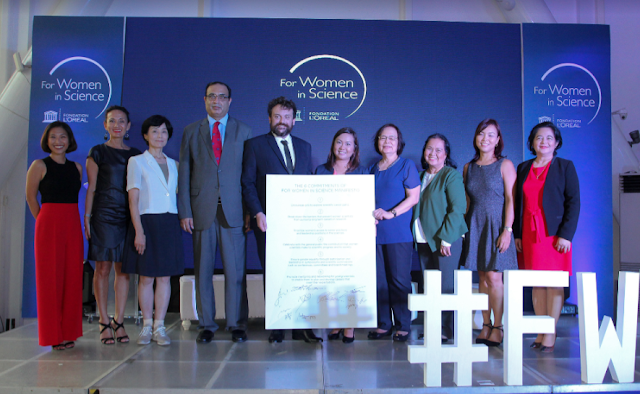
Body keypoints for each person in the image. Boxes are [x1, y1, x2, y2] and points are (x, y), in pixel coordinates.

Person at [241, 96, 321, 343]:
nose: (282, 121)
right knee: (274, 273)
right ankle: (277, 325)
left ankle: (301, 327)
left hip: (299, 224)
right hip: (268, 221)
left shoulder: (305, 147)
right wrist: (257, 212)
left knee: (301, 273)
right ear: (269, 119)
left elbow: (308, 184)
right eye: (277, 116)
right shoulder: (254, 145)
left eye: (287, 117)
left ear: (294, 120)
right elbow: (247, 183)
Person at [178, 82, 252, 343]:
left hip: (234, 211)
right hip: (201, 211)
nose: (217, 101)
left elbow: (248, 176)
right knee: (203, 270)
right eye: (212, 96)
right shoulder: (191, 131)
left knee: (236, 272)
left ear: (230, 101)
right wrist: (184, 210)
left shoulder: (244, 131)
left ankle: (237, 324)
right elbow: (184, 173)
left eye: (222, 97)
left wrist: (249, 211)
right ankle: (206, 324)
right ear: (205, 100)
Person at [514, 121, 580, 353]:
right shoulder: (523, 168)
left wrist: (566, 235)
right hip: (529, 234)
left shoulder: (565, 166)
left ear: (557, 142)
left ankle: (550, 331)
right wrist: (517, 234)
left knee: (554, 283)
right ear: (532, 142)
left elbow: (574, 203)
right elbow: (517, 204)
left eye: (549, 138)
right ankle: (541, 330)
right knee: (536, 283)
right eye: (539, 138)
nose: (544, 142)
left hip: (554, 235)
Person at [122, 115, 184, 346]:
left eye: (164, 132)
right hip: (146, 222)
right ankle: (146, 326)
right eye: (155, 131)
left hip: (169, 223)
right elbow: (133, 200)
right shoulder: (136, 162)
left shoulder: (174, 164)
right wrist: (139, 231)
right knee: (146, 277)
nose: (160, 136)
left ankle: (160, 327)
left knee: (165, 278)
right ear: (146, 135)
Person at [85, 105, 142, 345]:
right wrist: (87, 218)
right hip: (103, 216)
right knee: (103, 269)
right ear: (105, 125)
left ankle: (119, 321)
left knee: (123, 269)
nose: (117, 125)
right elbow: (92, 188)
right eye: (112, 121)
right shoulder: (97, 152)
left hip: (128, 216)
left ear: (128, 126)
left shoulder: (136, 155)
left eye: (121, 121)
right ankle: (103, 320)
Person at [26, 121, 83, 350]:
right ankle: (52, 335)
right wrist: (42, 220)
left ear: (69, 140)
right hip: (48, 223)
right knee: (49, 280)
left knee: (72, 278)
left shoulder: (77, 168)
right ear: (46, 140)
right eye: (53, 137)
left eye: (62, 137)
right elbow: (31, 197)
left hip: (72, 223)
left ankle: (68, 332)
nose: (58, 141)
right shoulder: (39, 165)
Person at [460, 119, 517, 347]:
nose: (485, 139)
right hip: (475, 225)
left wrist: (507, 230)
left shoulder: (505, 165)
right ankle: (485, 324)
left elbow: (512, 200)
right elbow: (466, 201)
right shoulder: (468, 167)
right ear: (476, 137)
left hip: (497, 225)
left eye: (491, 135)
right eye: (481, 134)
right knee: (482, 277)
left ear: (498, 140)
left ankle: (498, 325)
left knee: (494, 277)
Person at [411, 133, 467, 343]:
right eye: (429, 149)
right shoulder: (418, 176)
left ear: (446, 154)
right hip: (424, 239)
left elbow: (458, 208)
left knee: (445, 286)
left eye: (438, 150)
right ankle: (432, 327)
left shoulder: (450, 175)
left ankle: (446, 329)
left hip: (446, 240)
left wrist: (446, 239)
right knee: (430, 285)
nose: (432, 153)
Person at [369, 124, 420, 342]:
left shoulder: (406, 165)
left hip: (398, 233)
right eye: (383, 138)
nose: (387, 142)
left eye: (392, 138)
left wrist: (391, 213)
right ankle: (383, 324)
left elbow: (413, 198)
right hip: (374, 234)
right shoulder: (372, 169)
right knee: (379, 280)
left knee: (399, 280)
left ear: (399, 142)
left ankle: (403, 325)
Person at [315, 127, 366, 343]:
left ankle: (349, 325)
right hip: (326, 233)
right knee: (331, 280)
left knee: (350, 280)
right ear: (332, 145)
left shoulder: (362, 173)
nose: (342, 147)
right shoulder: (320, 171)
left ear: (354, 149)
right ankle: (334, 323)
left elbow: (366, 203)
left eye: (348, 143)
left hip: (352, 232)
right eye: (339, 142)